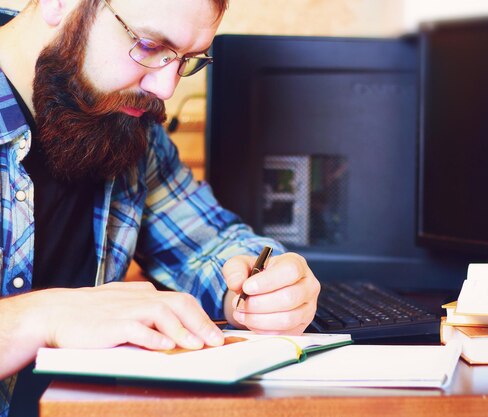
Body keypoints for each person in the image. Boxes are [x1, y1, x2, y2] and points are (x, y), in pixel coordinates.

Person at [0, 0, 321, 415]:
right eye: (149, 46)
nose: (166, 89)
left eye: (185, 60)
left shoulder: (127, 123)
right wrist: (39, 317)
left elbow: (209, 245)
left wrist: (264, 291)